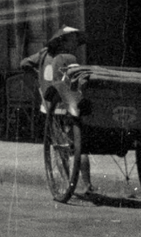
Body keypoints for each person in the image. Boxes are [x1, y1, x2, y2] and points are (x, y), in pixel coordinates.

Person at [21, 25, 92, 193]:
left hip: (50, 108)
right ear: (63, 42)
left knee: (60, 147)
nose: (75, 43)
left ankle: (68, 184)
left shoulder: (44, 53)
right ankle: (87, 185)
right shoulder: (69, 57)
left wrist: (39, 78)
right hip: (67, 107)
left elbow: (24, 63)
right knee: (77, 148)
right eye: (73, 40)